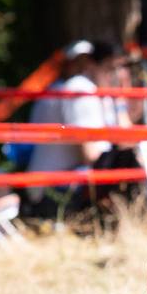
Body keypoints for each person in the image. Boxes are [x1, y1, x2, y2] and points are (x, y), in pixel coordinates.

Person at [25, 40, 122, 207]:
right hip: (53, 189)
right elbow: (90, 155)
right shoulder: (79, 89)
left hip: (51, 185)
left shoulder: (89, 91)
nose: (116, 76)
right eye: (110, 69)